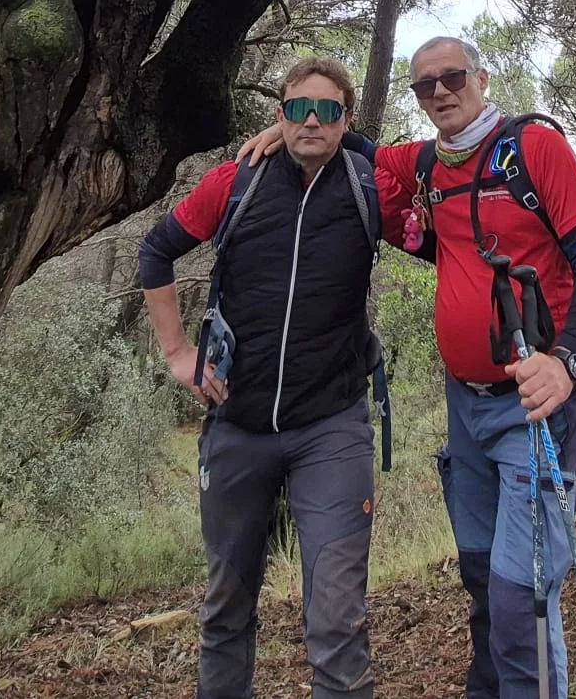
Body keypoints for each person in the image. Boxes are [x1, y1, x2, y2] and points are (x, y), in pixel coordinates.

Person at [241, 35, 576, 699]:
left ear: (482, 78)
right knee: (482, 577)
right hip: (465, 406)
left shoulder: (535, 149)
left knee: (521, 596)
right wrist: (295, 125)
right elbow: (360, 148)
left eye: (453, 78)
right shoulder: (426, 161)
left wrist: (566, 362)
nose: (440, 92)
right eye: (425, 85)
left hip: (535, 403)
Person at [139, 57, 398, 699]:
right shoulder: (237, 182)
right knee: (226, 608)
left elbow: (443, 214)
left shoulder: (369, 188)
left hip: (332, 426)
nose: (312, 121)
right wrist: (177, 351)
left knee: (337, 619)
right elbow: (156, 250)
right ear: (279, 114)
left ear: (347, 119)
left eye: (327, 110)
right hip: (237, 422)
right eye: (298, 108)